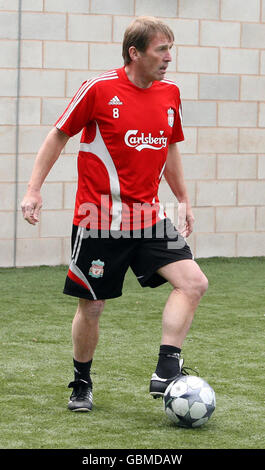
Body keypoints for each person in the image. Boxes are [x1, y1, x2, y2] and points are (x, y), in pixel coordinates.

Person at [21, 16, 208, 412]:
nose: (168, 58)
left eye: (170, 49)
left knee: (192, 282)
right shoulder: (99, 89)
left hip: (149, 217)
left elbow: (170, 148)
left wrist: (183, 199)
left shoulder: (170, 93)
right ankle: (81, 383)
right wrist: (34, 189)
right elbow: (57, 135)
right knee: (92, 306)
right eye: (161, 50)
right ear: (134, 52)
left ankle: (166, 368)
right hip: (99, 219)